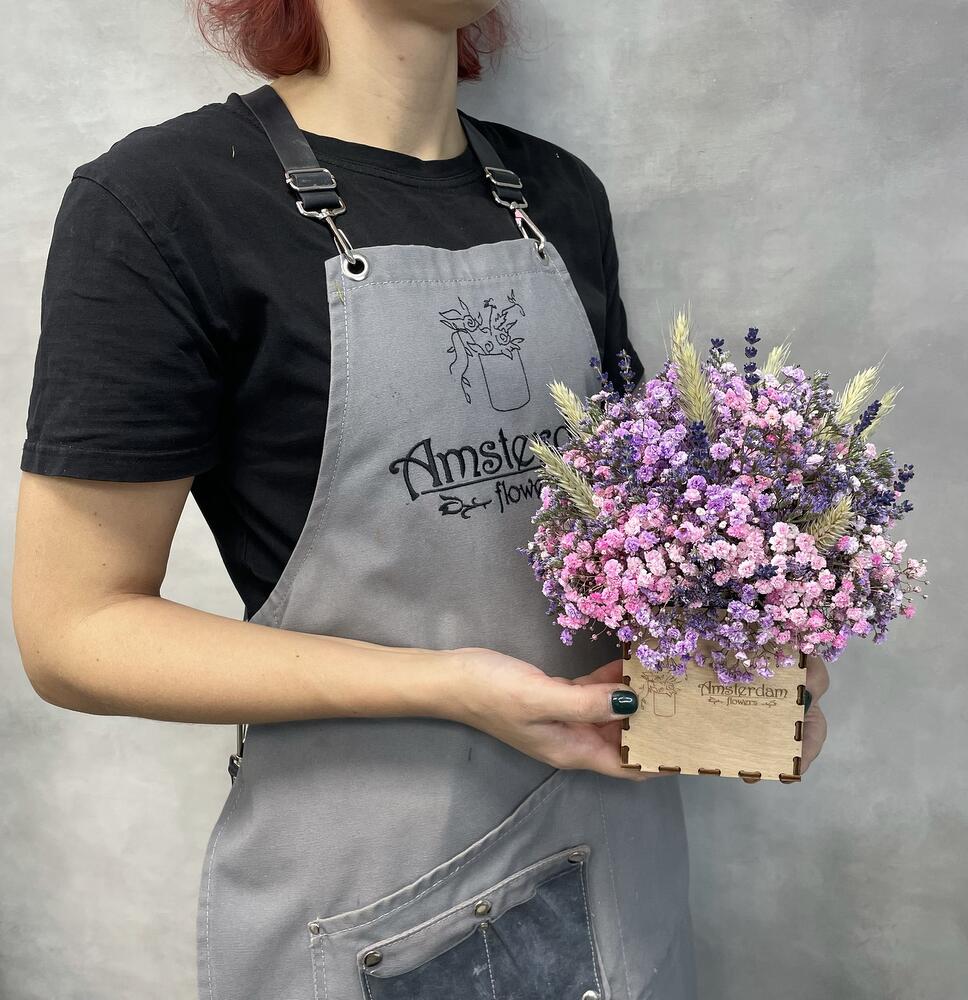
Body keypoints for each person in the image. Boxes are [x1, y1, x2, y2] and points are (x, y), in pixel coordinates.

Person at [12, 2, 829, 998]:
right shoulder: (166, 204)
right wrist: (449, 686)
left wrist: (734, 667)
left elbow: (629, 535)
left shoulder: (560, 195)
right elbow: (73, 630)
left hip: (617, 866)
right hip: (380, 908)